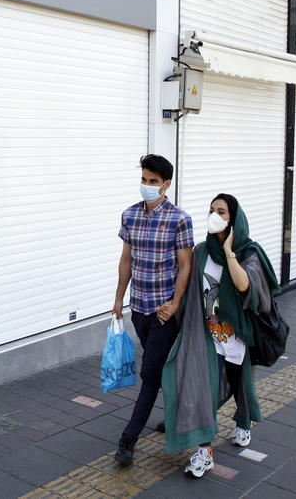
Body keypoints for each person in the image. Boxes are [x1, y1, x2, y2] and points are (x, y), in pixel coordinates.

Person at [160, 193, 280, 478]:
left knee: (241, 386)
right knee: (203, 389)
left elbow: (244, 285)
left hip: (238, 338)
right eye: (211, 210)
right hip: (207, 337)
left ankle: (244, 422)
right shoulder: (201, 250)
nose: (214, 215)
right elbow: (189, 286)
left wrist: (229, 252)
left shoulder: (249, 252)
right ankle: (204, 451)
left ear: (234, 219)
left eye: (222, 212)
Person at [112, 154, 194, 466]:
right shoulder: (130, 215)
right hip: (139, 308)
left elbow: (185, 265)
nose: (147, 186)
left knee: (149, 374)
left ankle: (128, 439)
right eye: (144, 180)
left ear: (166, 184)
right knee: (161, 371)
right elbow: (126, 260)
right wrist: (119, 299)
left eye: (153, 182)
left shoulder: (179, 219)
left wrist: (175, 303)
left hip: (164, 312)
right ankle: (180, 417)